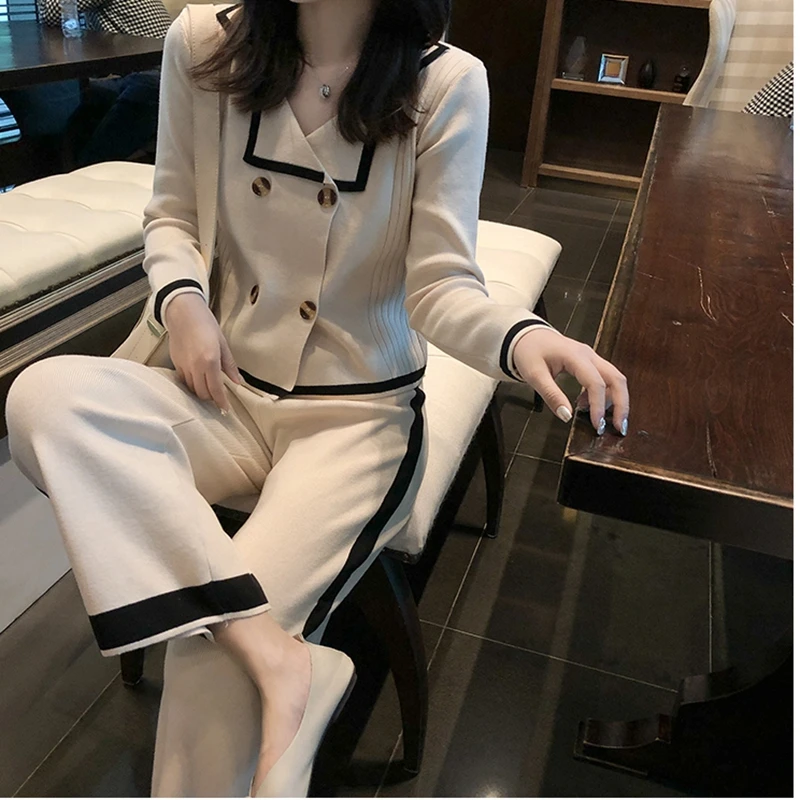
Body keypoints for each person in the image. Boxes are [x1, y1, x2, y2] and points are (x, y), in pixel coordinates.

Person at [5, 0, 631, 796]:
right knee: (43, 398)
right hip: (222, 394)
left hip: (355, 421)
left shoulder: (446, 83)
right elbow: (172, 217)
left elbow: (440, 285)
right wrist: (185, 303)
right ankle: (278, 652)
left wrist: (521, 336)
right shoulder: (203, 44)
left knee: (207, 670)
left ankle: (255, 658)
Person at [1, 0, 171, 175]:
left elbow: (54, 11)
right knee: (88, 97)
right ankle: (63, 167)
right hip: (137, 71)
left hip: (163, 72)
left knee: (141, 93)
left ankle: (83, 171)